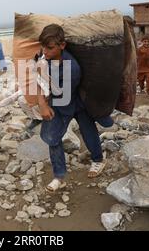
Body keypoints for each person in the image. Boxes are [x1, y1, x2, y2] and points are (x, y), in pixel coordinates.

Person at [36, 24, 112, 192]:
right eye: (43, 47)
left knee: (87, 129)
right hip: (58, 102)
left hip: (74, 100)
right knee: (52, 137)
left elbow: (58, 92)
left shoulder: (73, 69)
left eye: (49, 48)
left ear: (62, 46)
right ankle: (59, 177)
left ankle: (98, 160)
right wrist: (42, 103)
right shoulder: (43, 57)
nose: (45, 51)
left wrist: (44, 96)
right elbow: (37, 80)